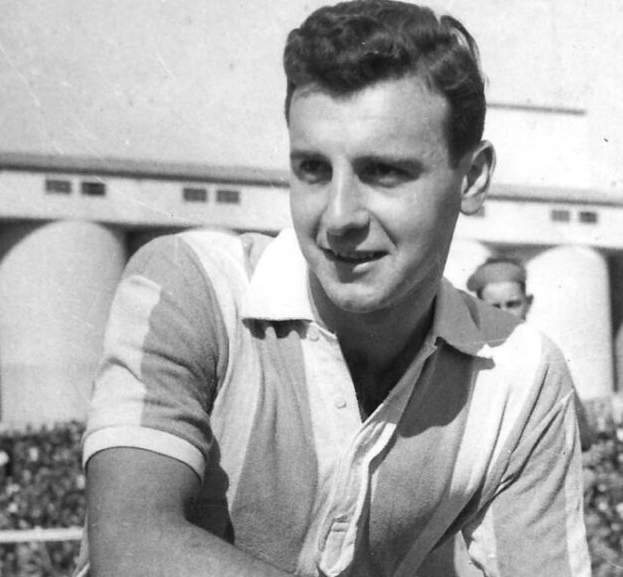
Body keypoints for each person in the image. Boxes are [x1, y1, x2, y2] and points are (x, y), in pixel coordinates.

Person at [77, 1, 590, 576]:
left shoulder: (524, 375)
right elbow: (128, 548)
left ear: (471, 178)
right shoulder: (196, 285)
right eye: (313, 170)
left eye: (384, 172)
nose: (339, 216)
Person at [467, 256, 596, 451]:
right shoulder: (468, 359)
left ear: (528, 303)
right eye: (494, 307)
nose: (504, 313)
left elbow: (581, 433)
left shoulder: (545, 355)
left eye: (513, 304)